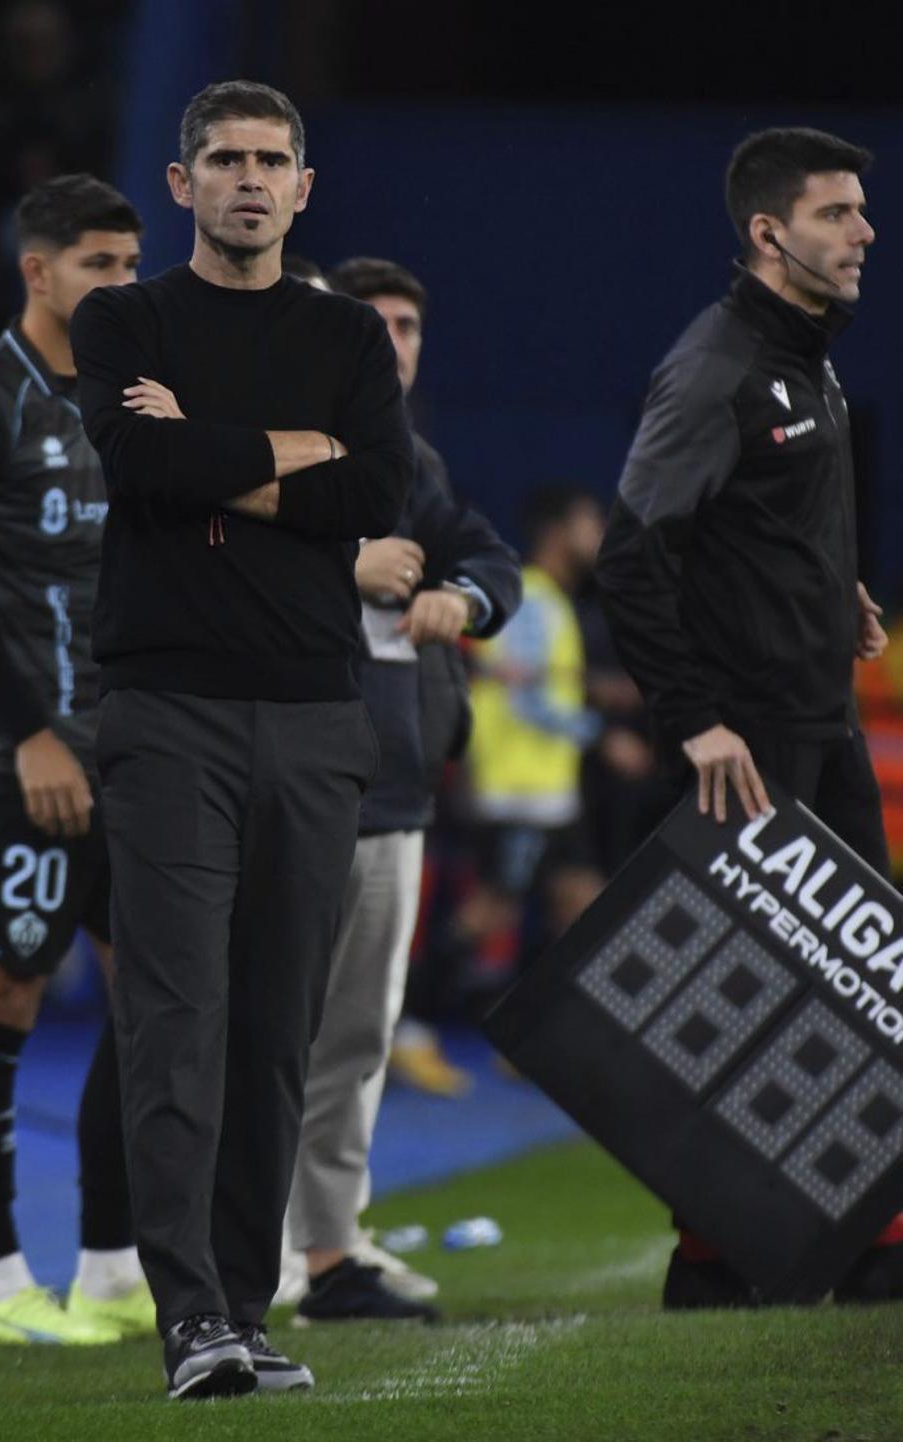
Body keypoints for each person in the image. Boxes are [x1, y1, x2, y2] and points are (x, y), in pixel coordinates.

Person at [70, 79, 413, 1398]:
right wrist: (296, 456)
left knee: (277, 1029)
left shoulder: (346, 333)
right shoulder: (124, 317)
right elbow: (140, 466)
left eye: (272, 160)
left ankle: (247, 1310)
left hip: (317, 712)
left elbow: (374, 489)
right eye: (225, 159)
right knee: (178, 1016)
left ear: (304, 187)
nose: (250, 179)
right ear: (183, 183)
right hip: (168, 712)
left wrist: (214, 452)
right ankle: (191, 1316)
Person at [595, 125, 902, 1308]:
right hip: (747, 745)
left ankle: (873, 1238)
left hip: (820, 720)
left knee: (865, 990)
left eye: (862, 208)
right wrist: (695, 721)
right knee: (741, 1005)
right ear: (771, 233)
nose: (865, 230)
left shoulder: (808, 354)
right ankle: (711, 1262)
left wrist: (836, 591)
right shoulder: (718, 363)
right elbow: (632, 554)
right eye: (838, 212)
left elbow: (757, 519)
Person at [0, 174, 155, 1345]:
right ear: (38, 270)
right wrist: (31, 736)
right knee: (5, 990)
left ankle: (110, 1266)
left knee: (148, 996)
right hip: (27, 757)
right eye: (98, 264)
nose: (120, 284)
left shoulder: (135, 397)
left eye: (131, 264)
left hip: (136, 755)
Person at [281, 255, 520, 1323]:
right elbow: (200, 565)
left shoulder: (410, 456)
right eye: (370, 323)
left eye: (409, 325)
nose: (393, 343)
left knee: (358, 1035)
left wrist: (462, 597)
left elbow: (488, 557)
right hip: (287, 775)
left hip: (391, 783)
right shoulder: (262, 445)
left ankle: (330, 1244)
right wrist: (346, 566)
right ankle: (250, 1245)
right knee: (264, 1027)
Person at [460, 486, 611, 983]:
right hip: (518, 789)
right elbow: (527, 697)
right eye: (589, 522)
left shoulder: (554, 600)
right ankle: (417, 1005)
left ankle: (548, 1019)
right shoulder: (527, 598)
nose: (600, 534)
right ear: (556, 532)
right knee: (491, 912)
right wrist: (602, 736)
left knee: (582, 901)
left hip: (552, 794)